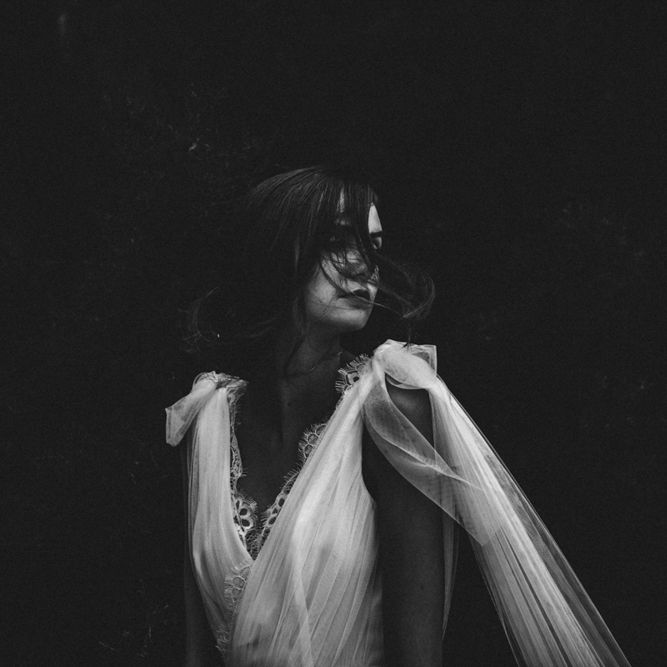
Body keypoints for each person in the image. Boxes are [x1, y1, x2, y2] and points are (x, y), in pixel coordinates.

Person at [166, 166, 630, 666]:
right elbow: (197, 651)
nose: (365, 266)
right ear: (274, 249)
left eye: (374, 246)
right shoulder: (206, 421)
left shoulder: (389, 411)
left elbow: (417, 656)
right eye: (337, 241)